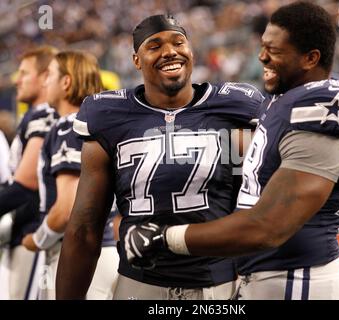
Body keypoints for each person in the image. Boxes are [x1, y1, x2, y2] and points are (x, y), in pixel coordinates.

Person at [124, 2, 339, 300]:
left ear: (310, 58)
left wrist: (165, 237)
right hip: (271, 277)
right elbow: (260, 160)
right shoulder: (283, 101)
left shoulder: (322, 107)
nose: (262, 57)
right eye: (263, 46)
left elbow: (269, 225)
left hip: (300, 278)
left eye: (275, 51)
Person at [56, 14, 263, 300]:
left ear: (191, 51)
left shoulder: (235, 107)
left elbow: (251, 208)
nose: (170, 51)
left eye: (179, 42)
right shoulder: (108, 115)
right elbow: (84, 228)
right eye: (154, 45)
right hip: (139, 284)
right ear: (136, 60)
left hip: (216, 286)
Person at [20, 50, 119, 300]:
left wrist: (37, 239)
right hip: (105, 252)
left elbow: (67, 207)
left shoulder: (69, 126)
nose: (45, 81)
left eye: (50, 75)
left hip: (76, 256)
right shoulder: (100, 125)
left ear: (66, 82)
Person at [0, 46, 58, 299]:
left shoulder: (44, 115)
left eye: (24, 73)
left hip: (34, 232)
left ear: (46, 76)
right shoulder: (33, 116)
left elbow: (26, 185)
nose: (17, 79)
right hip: (23, 230)